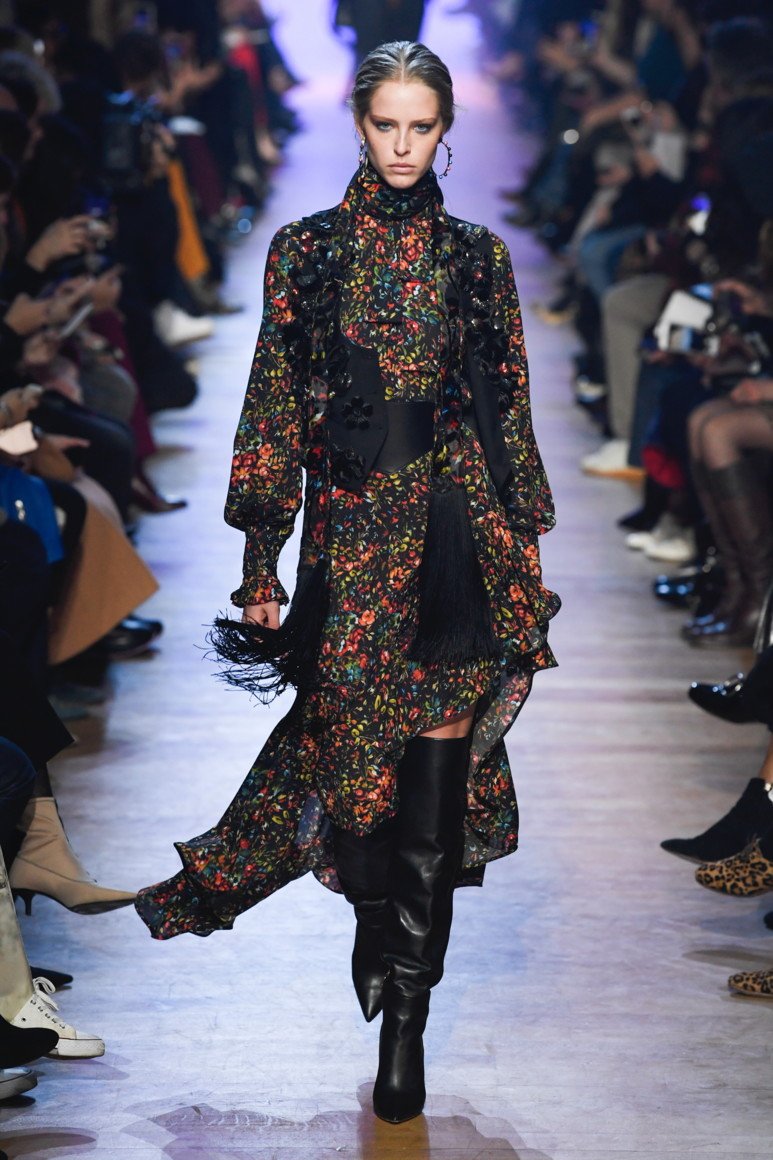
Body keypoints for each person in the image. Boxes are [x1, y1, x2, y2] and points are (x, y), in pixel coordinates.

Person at [136, 41, 559, 1125]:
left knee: (430, 798)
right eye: (386, 125)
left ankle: (406, 1021)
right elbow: (272, 404)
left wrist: (524, 541)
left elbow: (506, 405)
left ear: (445, 127)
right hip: (353, 541)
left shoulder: (476, 258)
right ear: (359, 123)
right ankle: (376, 915)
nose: (403, 145)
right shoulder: (308, 252)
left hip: (457, 533)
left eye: (422, 125)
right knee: (355, 771)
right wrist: (260, 559)